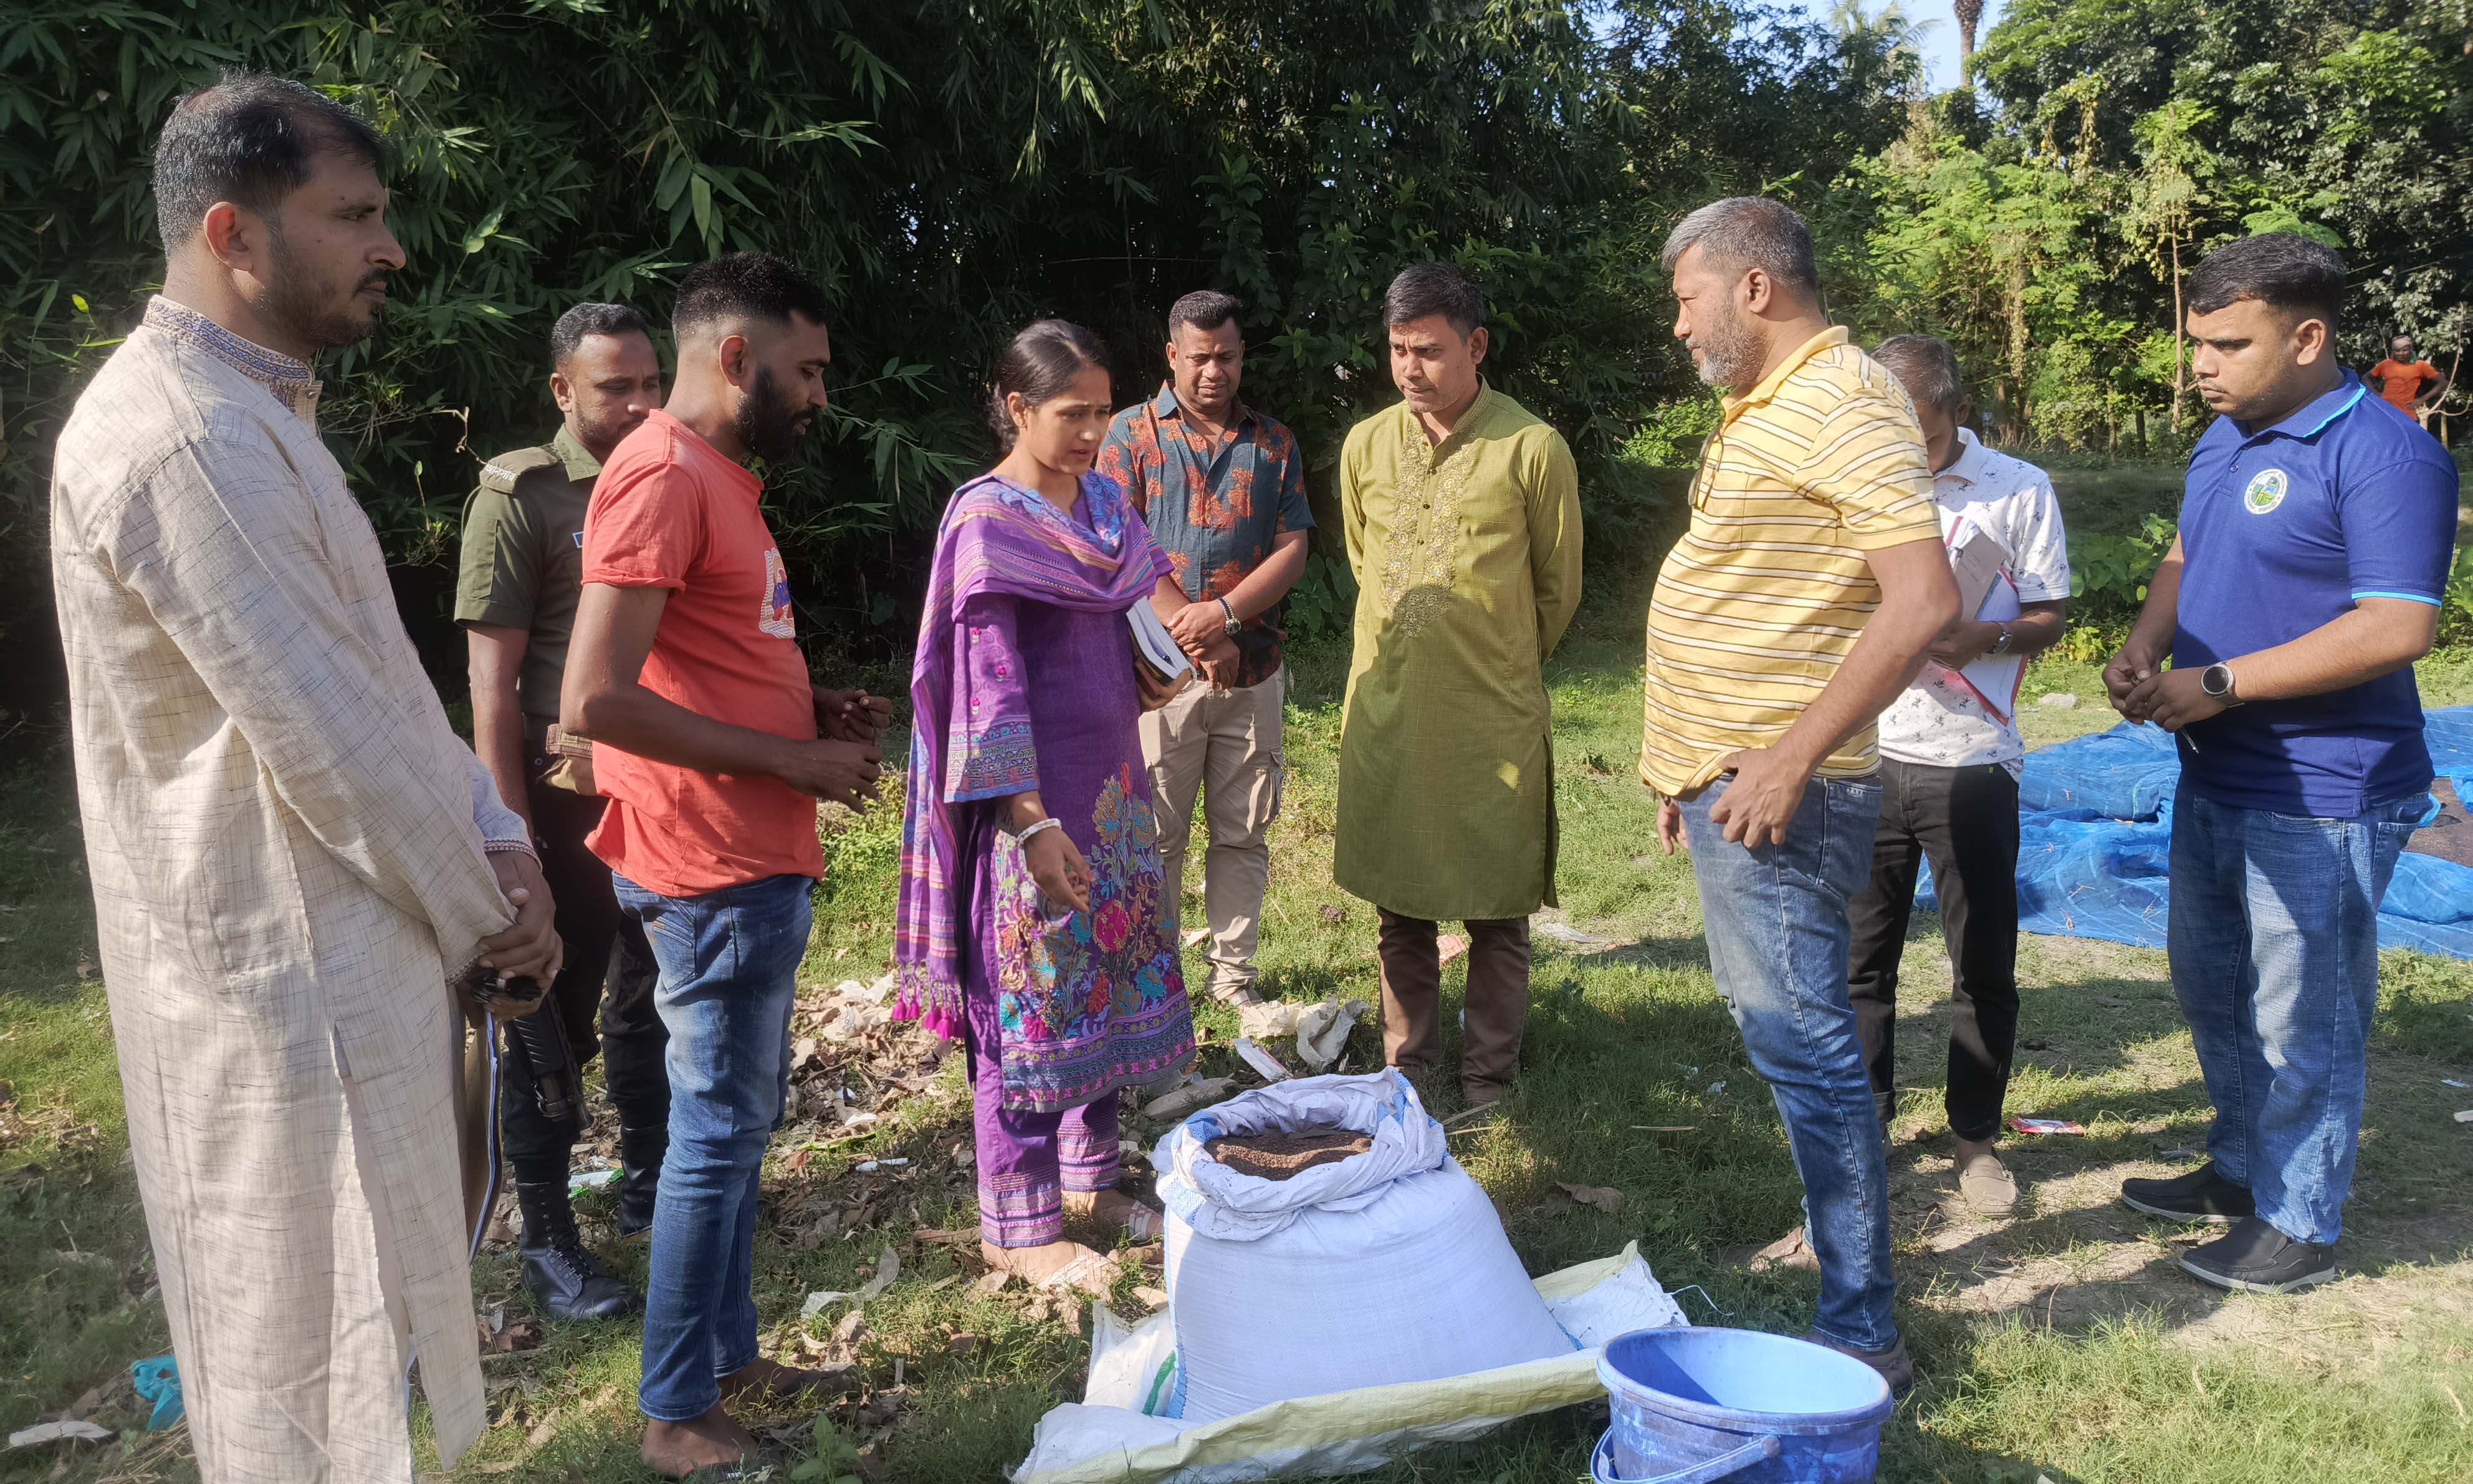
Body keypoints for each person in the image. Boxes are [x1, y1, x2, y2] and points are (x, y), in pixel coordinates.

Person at [49, 75, 562, 1482]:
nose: (390, 247)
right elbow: (331, 736)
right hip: (282, 991)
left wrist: (498, 840)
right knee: (302, 1380)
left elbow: (382, 687)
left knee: (352, 1353)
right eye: (355, 215)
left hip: (341, 957)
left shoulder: (245, 410)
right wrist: (497, 910)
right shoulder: (186, 439)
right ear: (236, 231)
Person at [561, 252, 890, 1478]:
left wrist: (812, 711)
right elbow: (594, 695)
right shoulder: (659, 471)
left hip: (743, 848)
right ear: (737, 358)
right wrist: (788, 759)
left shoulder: (719, 479)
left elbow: (699, 659)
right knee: (714, 1132)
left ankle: (727, 1358)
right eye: (804, 371)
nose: (819, 395)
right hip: (710, 861)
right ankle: (674, 1412)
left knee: (736, 1126)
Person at [1642, 198, 1958, 1392]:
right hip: (1730, 784)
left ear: (1754, 290)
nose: (1677, 327)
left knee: (1807, 1046)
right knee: (1786, 1039)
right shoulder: (1769, 404)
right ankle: (1843, 1254)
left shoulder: (1845, 397)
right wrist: (1684, 764)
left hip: (1786, 790)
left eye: (1686, 299)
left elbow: (1919, 601)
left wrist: (1781, 756)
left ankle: (1861, 1321)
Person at [2107, 234, 2456, 1294]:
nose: (2199, 366)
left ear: (2307, 337)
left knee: (2304, 1014)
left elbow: (2397, 627)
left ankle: (2298, 1223)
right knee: (2212, 989)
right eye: (2194, 343)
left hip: (2324, 792)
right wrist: (2141, 646)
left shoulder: (2385, 453)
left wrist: (2217, 684)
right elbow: (2184, 553)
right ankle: (2239, 1165)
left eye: (2225, 344)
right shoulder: (2224, 438)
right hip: (2217, 775)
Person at [894, 319, 1198, 1293]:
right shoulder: (988, 518)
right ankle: (1018, 1224)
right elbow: (987, 683)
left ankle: (1091, 1176)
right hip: (1037, 806)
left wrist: (1157, 663)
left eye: (1104, 412)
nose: (1092, 432)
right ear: (1017, 408)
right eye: (1072, 414)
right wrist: (1028, 821)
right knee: (1027, 1002)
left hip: (1115, 790)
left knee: (1100, 977)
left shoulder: (1107, 503)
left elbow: (1139, 615)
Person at [456, 301, 672, 1321]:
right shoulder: (524, 498)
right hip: (561, 800)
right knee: (548, 1022)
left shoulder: (670, 475)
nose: (637, 404)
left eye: (649, 383)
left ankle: (647, 1192)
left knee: (646, 994)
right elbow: (492, 690)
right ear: (561, 392)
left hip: (658, 782)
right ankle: (546, 1243)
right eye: (612, 388)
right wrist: (511, 842)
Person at [1334, 263, 1583, 1111]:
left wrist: (1490, 660)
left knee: (1495, 911)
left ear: (1475, 346)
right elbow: (1366, 560)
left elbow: (1558, 590)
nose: (1410, 368)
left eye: (1430, 351)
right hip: (1389, 714)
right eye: (1399, 350)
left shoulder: (1531, 447)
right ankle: (1409, 1069)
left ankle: (1488, 1081)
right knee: (1399, 907)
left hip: (1489, 719)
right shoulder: (1367, 443)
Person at [1845, 335, 2070, 1217]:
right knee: (1862, 958)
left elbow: (2049, 611)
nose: (1908, 447)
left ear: (1954, 409)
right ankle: (1863, 1129)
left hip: (1971, 760)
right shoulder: (1862, 478)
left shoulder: (2019, 487)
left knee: (1982, 961)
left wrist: (1989, 637)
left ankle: (1976, 1139)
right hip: (1865, 754)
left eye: (1924, 430)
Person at [1096, 290, 1309, 1007]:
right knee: (1153, 831)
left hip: (1252, 668)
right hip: (1154, 675)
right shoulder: (1128, 435)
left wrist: (1220, 616)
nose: (1212, 371)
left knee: (1243, 828)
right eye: (1198, 358)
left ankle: (1232, 979)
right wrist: (1189, 633)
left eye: (1226, 356)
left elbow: (1293, 547)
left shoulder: (1273, 443)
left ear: (1241, 354)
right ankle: (1153, 981)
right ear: (1170, 356)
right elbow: (1117, 540)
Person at [2368, 333, 2447, 426]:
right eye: (2397, 351)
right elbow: (2366, 377)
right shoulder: (2386, 364)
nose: (2401, 353)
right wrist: (2376, 393)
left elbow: (2443, 382)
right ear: (2393, 352)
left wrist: (2422, 399)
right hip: (2385, 413)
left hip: (2407, 415)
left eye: (2404, 350)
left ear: (2410, 350)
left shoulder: (2419, 365)